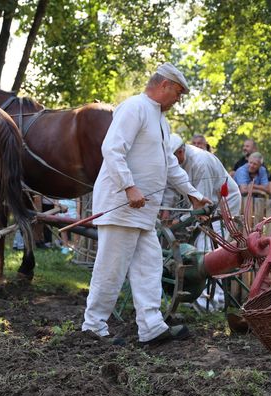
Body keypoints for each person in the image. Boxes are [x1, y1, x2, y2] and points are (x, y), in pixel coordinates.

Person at [81, 62, 212, 345]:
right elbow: (112, 149)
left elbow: (168, 165)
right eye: (178, 92)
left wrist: (192, 193)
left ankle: (151, 326)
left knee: (150, 265)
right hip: (122, 206)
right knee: (111, 268)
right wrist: (129, 186)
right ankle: (93, 328)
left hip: (142, 212)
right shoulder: (134, 108)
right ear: (164, 85)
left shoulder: (161, 122)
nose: (179, 99)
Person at [168, 134, 242, 310]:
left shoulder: (200, 162)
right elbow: (170, 189)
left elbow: (203, 205)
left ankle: (208, 302)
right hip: (206, 204)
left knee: (207, 248)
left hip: (224, 202)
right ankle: (209, 299)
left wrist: (178, 220)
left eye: (173, 158)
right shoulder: (176, 162)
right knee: (203, 246)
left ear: (180, 151)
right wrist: (166, 212)